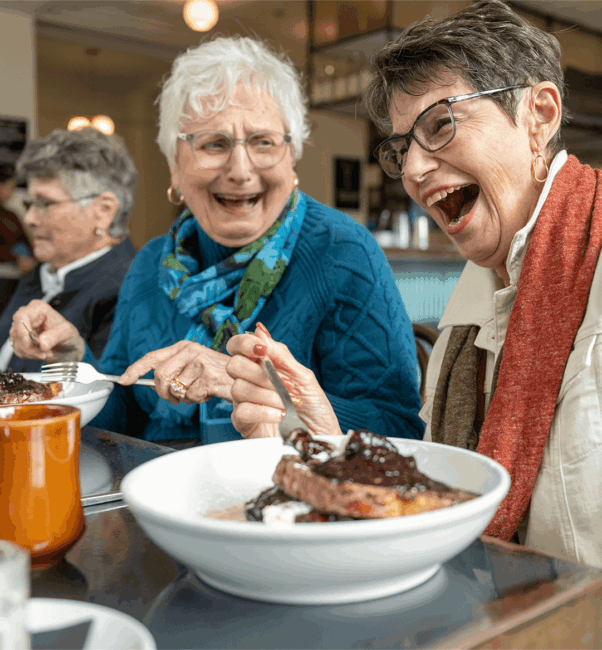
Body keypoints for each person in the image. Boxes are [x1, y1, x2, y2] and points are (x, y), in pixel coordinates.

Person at [228, 0, 602, 568]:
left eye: (440, 124)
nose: (413, 171)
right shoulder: (468, 312)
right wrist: (326, 434)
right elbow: (441, 486)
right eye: (403, 148)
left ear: (540, 116)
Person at [10, 36, 424, 445]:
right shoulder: (150, 264)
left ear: (291, 156)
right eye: (214, 144)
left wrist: (256, 389)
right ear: (175, 166)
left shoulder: (342, 252)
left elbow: (398, 427)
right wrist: (73, 360)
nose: (241, 170)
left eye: (263, 142)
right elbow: (125, 414)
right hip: (159, 496)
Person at [0, 127, 138, 372]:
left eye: (45, 203)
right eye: (29, 203)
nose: (30, 218)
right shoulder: (41, 274)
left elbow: (109, 402)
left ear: (103, 211)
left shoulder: (131, 290)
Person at [0, 163, 36, 272]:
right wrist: (16, 259)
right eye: (10, 187)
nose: (12, 192)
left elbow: (24, 238)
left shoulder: (9, 215)